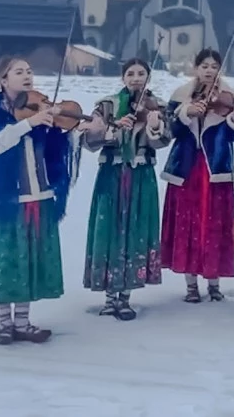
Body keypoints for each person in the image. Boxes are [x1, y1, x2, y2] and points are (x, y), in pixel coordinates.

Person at [0, 56, 94, 344]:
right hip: (3, 196)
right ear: (3, 79)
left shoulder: (40, 105)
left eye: (29, 70)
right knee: (5, 258)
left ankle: (23, 323)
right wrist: (30, 123)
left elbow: (54, 147)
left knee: (28, 260)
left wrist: (75, 130)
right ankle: (5, 324)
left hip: (38, 193)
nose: (27, 75)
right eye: (18, 71)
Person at [82, 58, 169, 320]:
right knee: (110, 230)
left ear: (148, 78)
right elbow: (89, 140)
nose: (136, 78)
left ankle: (126, 296)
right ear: (122, 78)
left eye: (141, 73)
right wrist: (112, 130)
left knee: (136, 230)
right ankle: (109, 296)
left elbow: (164, 140)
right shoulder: (107, 105)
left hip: (141, 174)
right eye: (130, 74)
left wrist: (154, 126)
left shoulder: (158, 106)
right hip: (111, 174)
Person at [160, 49, 234, 304]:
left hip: (216, 170)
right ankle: (190, 283)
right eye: (204, 66)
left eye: (214, 66)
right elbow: (170, 130)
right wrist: (186, 113)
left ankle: (213, 282)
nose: (209, 71)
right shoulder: (181, 96)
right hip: (186, 169)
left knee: (214, 226)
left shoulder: (229, 96)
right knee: (187, 225)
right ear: (196, 68)